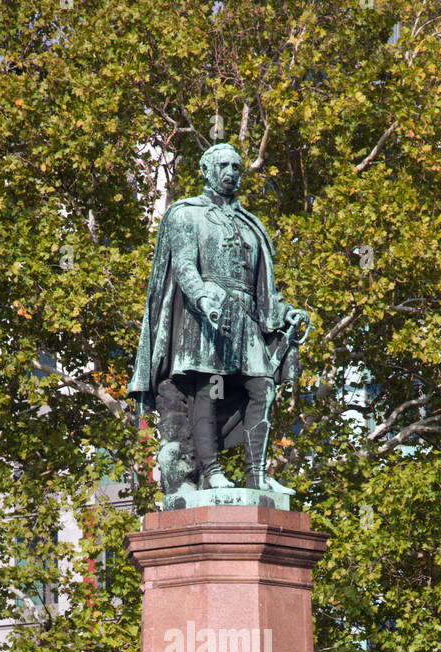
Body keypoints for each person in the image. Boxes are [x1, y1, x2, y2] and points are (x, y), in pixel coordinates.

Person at [128, 142, 309, 495]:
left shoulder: (251, 225)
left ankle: (256, 475)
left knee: (263, 387)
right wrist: (203, 299)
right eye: (223, 166)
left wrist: (286, 312)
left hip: (245, 317)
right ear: (205, 171)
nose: (230, 173)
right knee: (210, 390)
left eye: (236, 167)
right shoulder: (185, 214)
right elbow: (182, 265)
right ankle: (211, 471)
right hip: (205, 315)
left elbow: (265, 289)